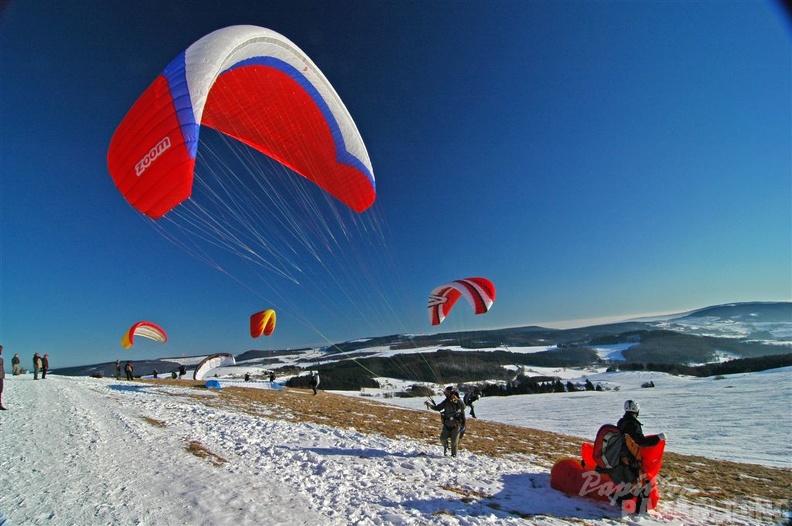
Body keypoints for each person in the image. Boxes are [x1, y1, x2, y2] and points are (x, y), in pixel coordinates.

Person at [611, 400, 666, 514]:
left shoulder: (621, 422)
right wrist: (657, 438)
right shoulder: (633, 424)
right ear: (636, 410)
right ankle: (640, 511)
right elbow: (640, 442)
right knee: (645, 484)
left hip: (621, 457)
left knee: (636, 485)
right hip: (630, 459)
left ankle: (619, 498)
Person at [424, 386, 466, 457]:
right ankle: (446, 447)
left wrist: (458, 400)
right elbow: (438, 408)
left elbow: (463, 407)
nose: (445, 393)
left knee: (454, 442)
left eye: (447, 392)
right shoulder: (446, 402)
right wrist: (430, 405)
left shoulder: (457, 402)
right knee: (442, 438)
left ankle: (453, 456)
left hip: (456, 425)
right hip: (447, 424)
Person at [0, 345, 7, 410]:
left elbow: (2, 368)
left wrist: (3, 375)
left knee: (0, 390)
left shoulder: (1, 359)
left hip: (0, 376)